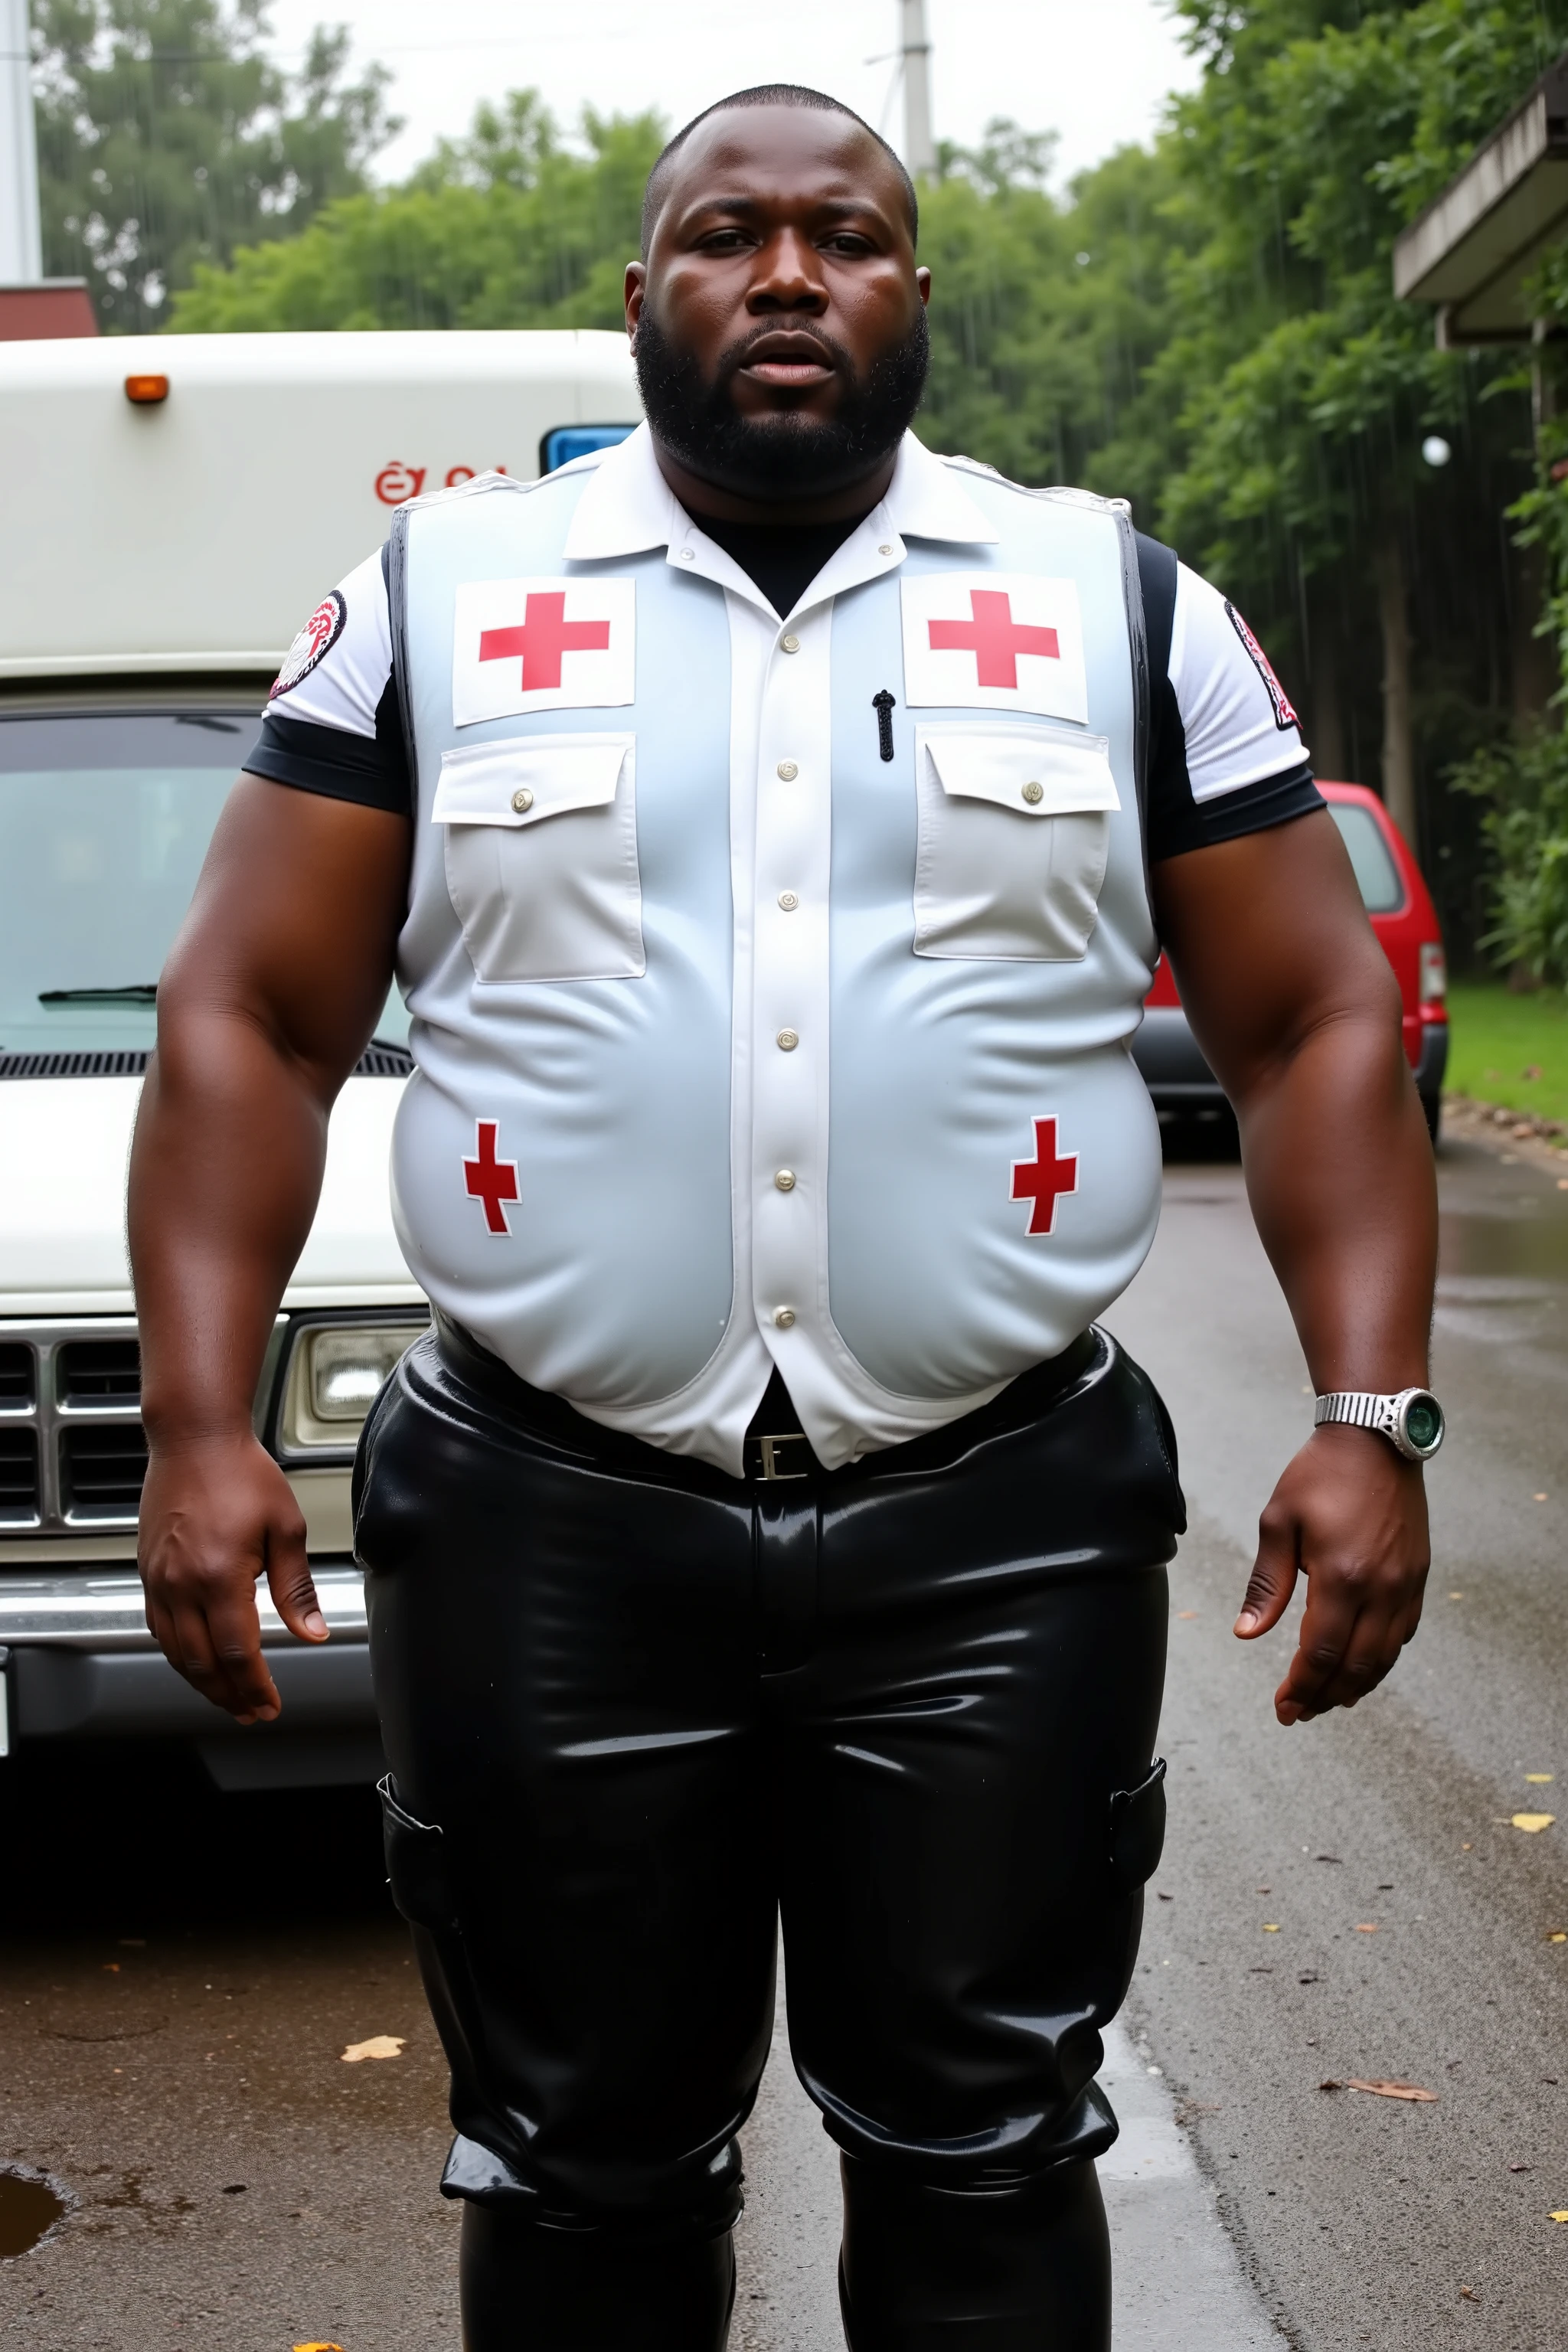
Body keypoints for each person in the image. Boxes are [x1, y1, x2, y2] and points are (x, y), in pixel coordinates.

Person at [129, 84, 1439, 2352]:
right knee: (575, 2166)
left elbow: (1319, 1014)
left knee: (988, 2146)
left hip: (999, 1522)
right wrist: (191, 1420)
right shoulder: (441, 600)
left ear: (917, 292)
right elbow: (251, 1004)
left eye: (846, 234)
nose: (791, 275)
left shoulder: (1114, 603)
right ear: (641, 296)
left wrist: (1371, 1412)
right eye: (728, 236)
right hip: (549, 1525)